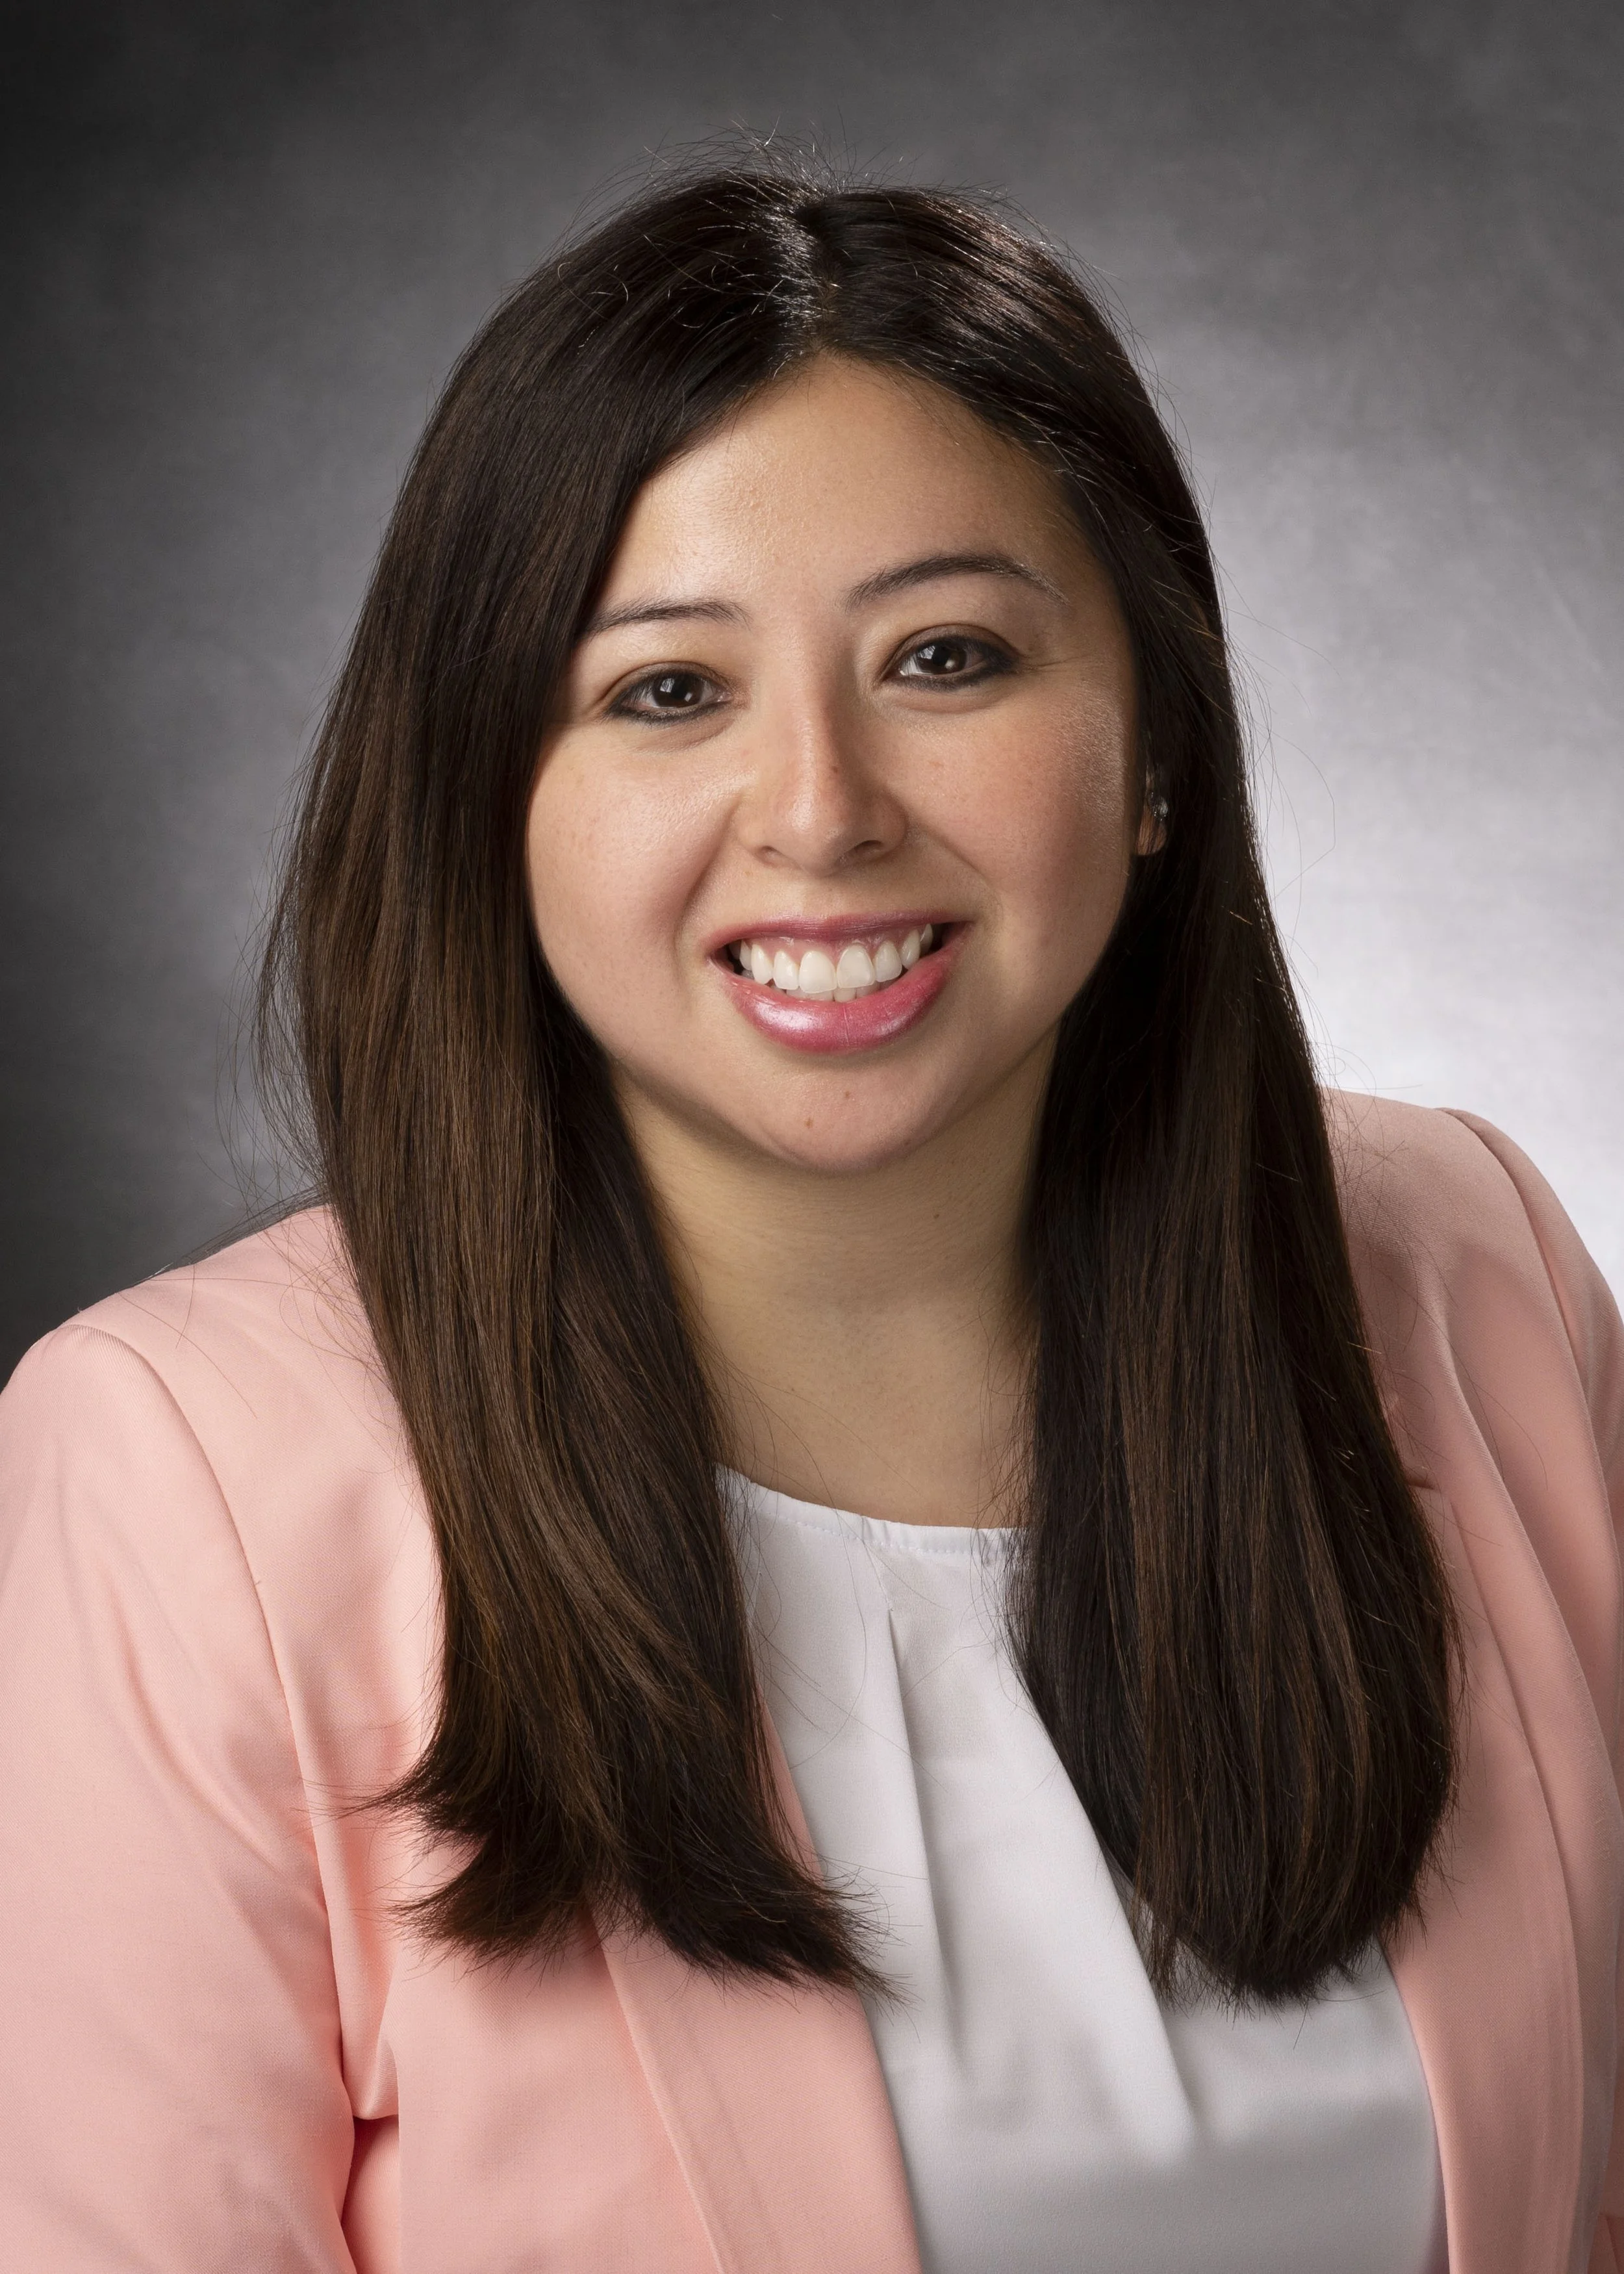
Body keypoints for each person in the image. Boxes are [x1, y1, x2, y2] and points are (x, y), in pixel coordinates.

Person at [0, 164, 1618, 2274]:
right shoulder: (178, 1467)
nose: (823, 808)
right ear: (490, 798)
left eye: (945, 656)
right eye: (666, 692)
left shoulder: (1464, 1265)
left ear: (1153, 752)